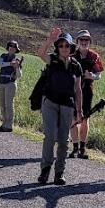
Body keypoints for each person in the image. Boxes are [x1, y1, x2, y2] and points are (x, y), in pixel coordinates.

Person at [32, 28, 85, 185]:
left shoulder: (76, 66)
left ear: (71, 48)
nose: (63, 48)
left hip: (67, 105)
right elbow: (40, 54)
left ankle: (59, 172)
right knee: (50, 136)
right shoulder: (52, 60)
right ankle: (45, 169)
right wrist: (49, 40)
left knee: (63, 140)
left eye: (66, 46)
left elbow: (78, 90)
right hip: (50, 102)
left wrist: (79, 111)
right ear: (57, 47)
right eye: (61, 45)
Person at [69, 29, 105, 158]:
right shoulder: (71, 55)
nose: (84, 42)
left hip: (87, 91)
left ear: (89, 42)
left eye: (86, 40)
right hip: (72, 91)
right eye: (82, 40)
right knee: (73, 118)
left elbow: (99, 75)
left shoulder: (94, 56)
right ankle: (74, 147)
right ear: (77, 41)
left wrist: (92, 76)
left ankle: (82, 148)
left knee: (85, 119)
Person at [0, 40, 23, 132]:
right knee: (2, 104)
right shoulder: (3, 56)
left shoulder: (17, 60)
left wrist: (17, 67)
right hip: (1, 82)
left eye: (14, 47)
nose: (12, 48)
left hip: (10, 83)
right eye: (10, 46)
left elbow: (19, 75)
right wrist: (10, 64)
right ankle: (4, 123)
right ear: (8, 47)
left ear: (16, 49)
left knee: (9, 105)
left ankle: (9, 125)